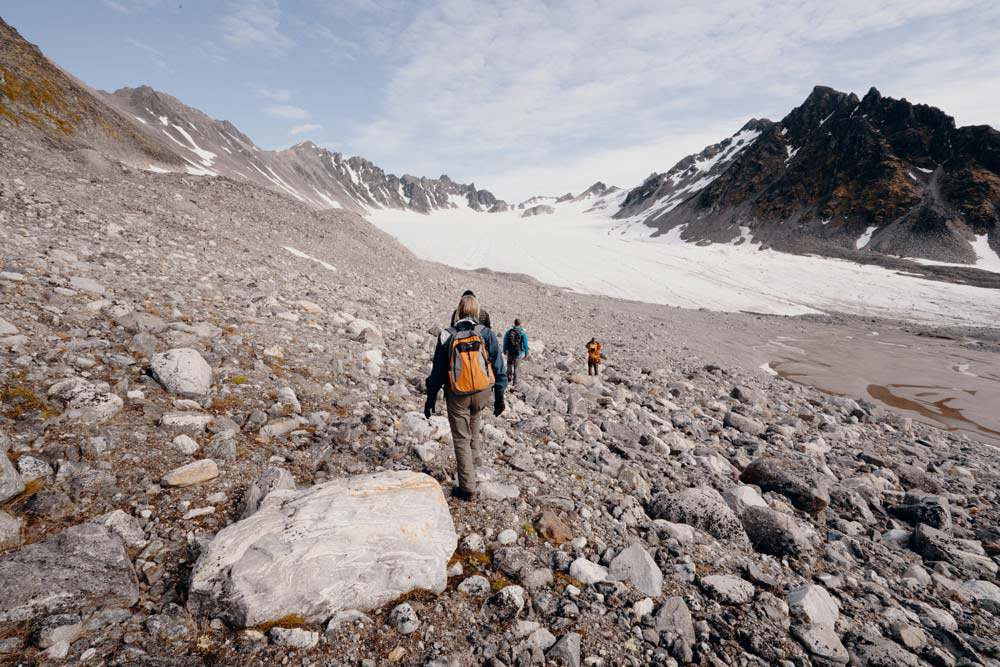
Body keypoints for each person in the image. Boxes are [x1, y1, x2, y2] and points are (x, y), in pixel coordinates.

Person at [426, 293, 507, 501]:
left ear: (459, 310)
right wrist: (499, 396)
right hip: (482, 392)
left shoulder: (447, 334)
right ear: (477, 312)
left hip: (458, 393)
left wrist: (431, 397)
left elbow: (438, 371)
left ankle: (467, 488)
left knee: (461, 439)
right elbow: (498, 366)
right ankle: (476, 460)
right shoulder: (486, 333)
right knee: (475, 418)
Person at [503, 318, 529, 386]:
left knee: (509, 365)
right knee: (516, 368)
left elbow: (505, 341)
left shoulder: (509, 332)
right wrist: (526, 353)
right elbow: (525, 344)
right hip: (518, 353)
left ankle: (508, 378)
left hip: (510, 352)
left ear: (514, 323)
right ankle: (515, 383)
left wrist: (504, 350)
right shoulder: (522, 333)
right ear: (520, 324)